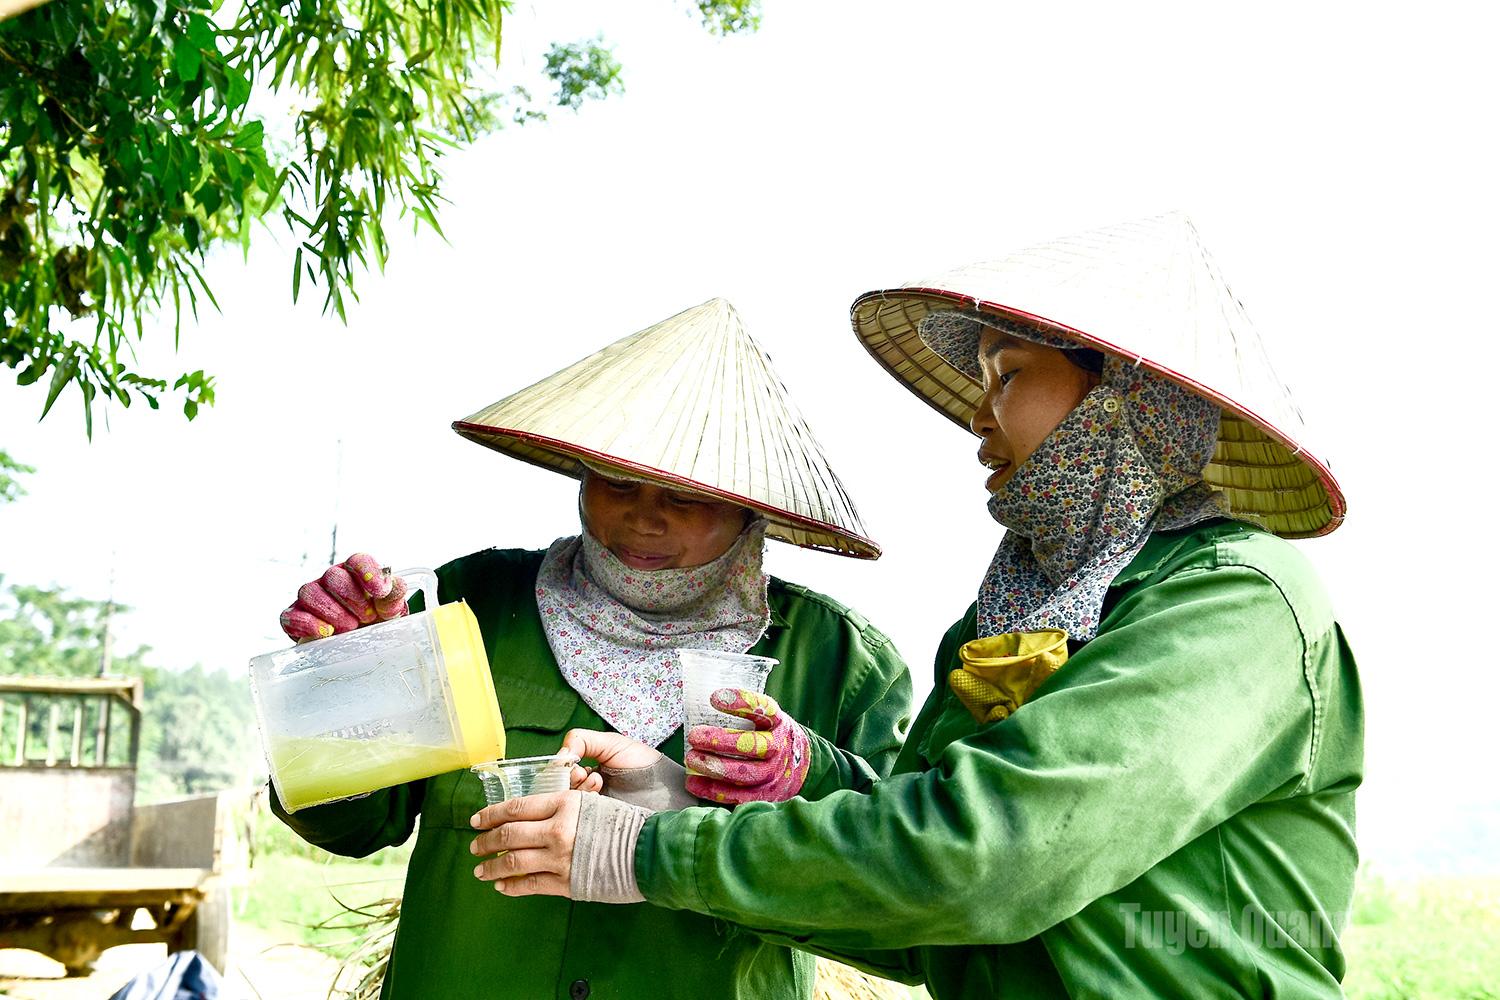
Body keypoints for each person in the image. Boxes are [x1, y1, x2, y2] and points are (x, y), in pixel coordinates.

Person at [472, 214, 1365, 997]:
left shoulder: (1231, 605)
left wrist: (646, 854)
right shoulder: (1015, 610)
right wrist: (744, 793)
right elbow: (921, 902)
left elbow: (990, 858)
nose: (981, 415)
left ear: (1129, 399)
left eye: (1008, 374)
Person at [268, 298, 913, 1000]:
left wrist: (806, 777)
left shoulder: (845, 666)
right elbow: (351, 826)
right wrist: (342, 677)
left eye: (686, 495)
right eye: (618, 481)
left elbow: (898, 896)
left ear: (752, 506)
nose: (644, 515)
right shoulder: (474, 604)